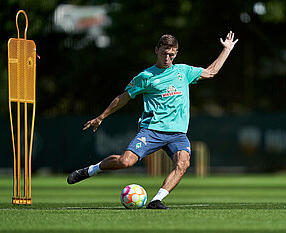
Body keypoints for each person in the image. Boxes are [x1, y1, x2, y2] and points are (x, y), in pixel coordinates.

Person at [67, 31, 238, 209]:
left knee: (183, 163)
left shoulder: (184, 71)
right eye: (164, 53)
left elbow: (211, 72)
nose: (167, 57)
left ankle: (156, 200)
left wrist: (227, 49)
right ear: (156, 50)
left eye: (171, 54)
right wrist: (101, 117)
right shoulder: (145, 76)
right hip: (152, 130)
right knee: (125, 162)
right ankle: (92, 170)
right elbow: (124, 97)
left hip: (178, 134)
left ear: (176, 53)